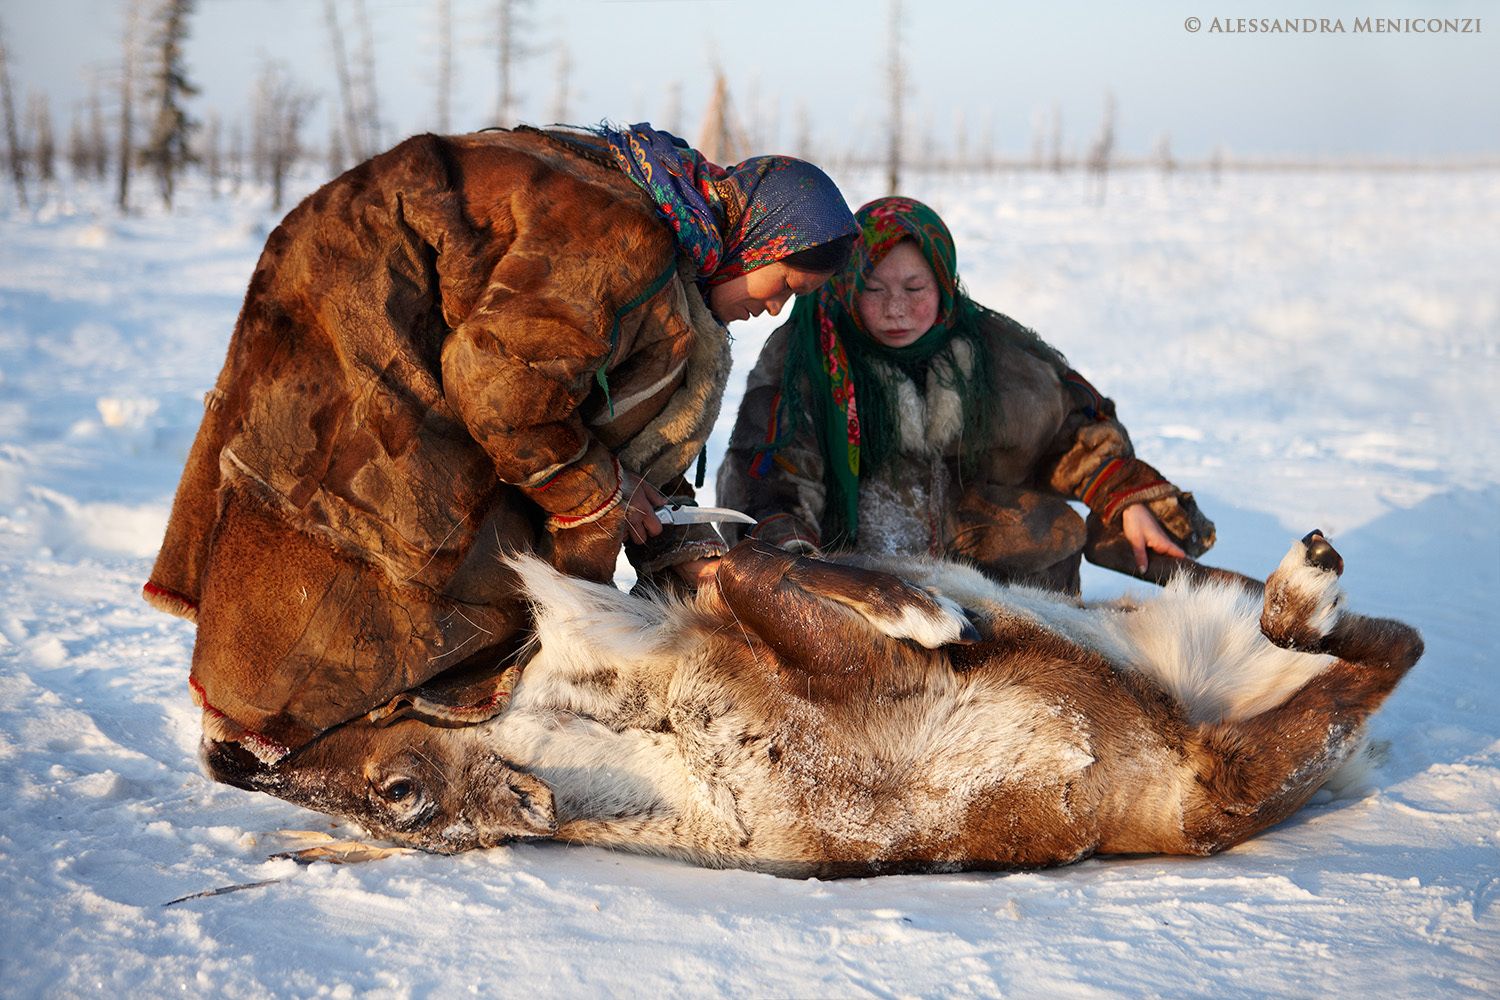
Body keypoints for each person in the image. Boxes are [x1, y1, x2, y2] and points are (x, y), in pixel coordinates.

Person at [143, 123, 856, 765]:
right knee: (413, 528)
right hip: (360, 304)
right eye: (784, 282)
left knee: (483, 512)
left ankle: (295, 712)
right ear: (759, 242)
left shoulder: (669, 234)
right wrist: (597, 491)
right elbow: (504, 390)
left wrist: (662, 523)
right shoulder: (627, 241)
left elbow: (601, 401)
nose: (776, 307)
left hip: (374, 293)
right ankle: (298, 727)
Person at [717, 196, 1213, 595]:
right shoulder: (808, 354)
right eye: (873, 288)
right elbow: (771, 470)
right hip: (870, 596)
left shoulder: (998, 353)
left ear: (944, 282)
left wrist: (1126, 498)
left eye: (915, 287)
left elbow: (1075, 431)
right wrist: (796, 564)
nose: (896, 309)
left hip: (1014, 591)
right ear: (847, 284)